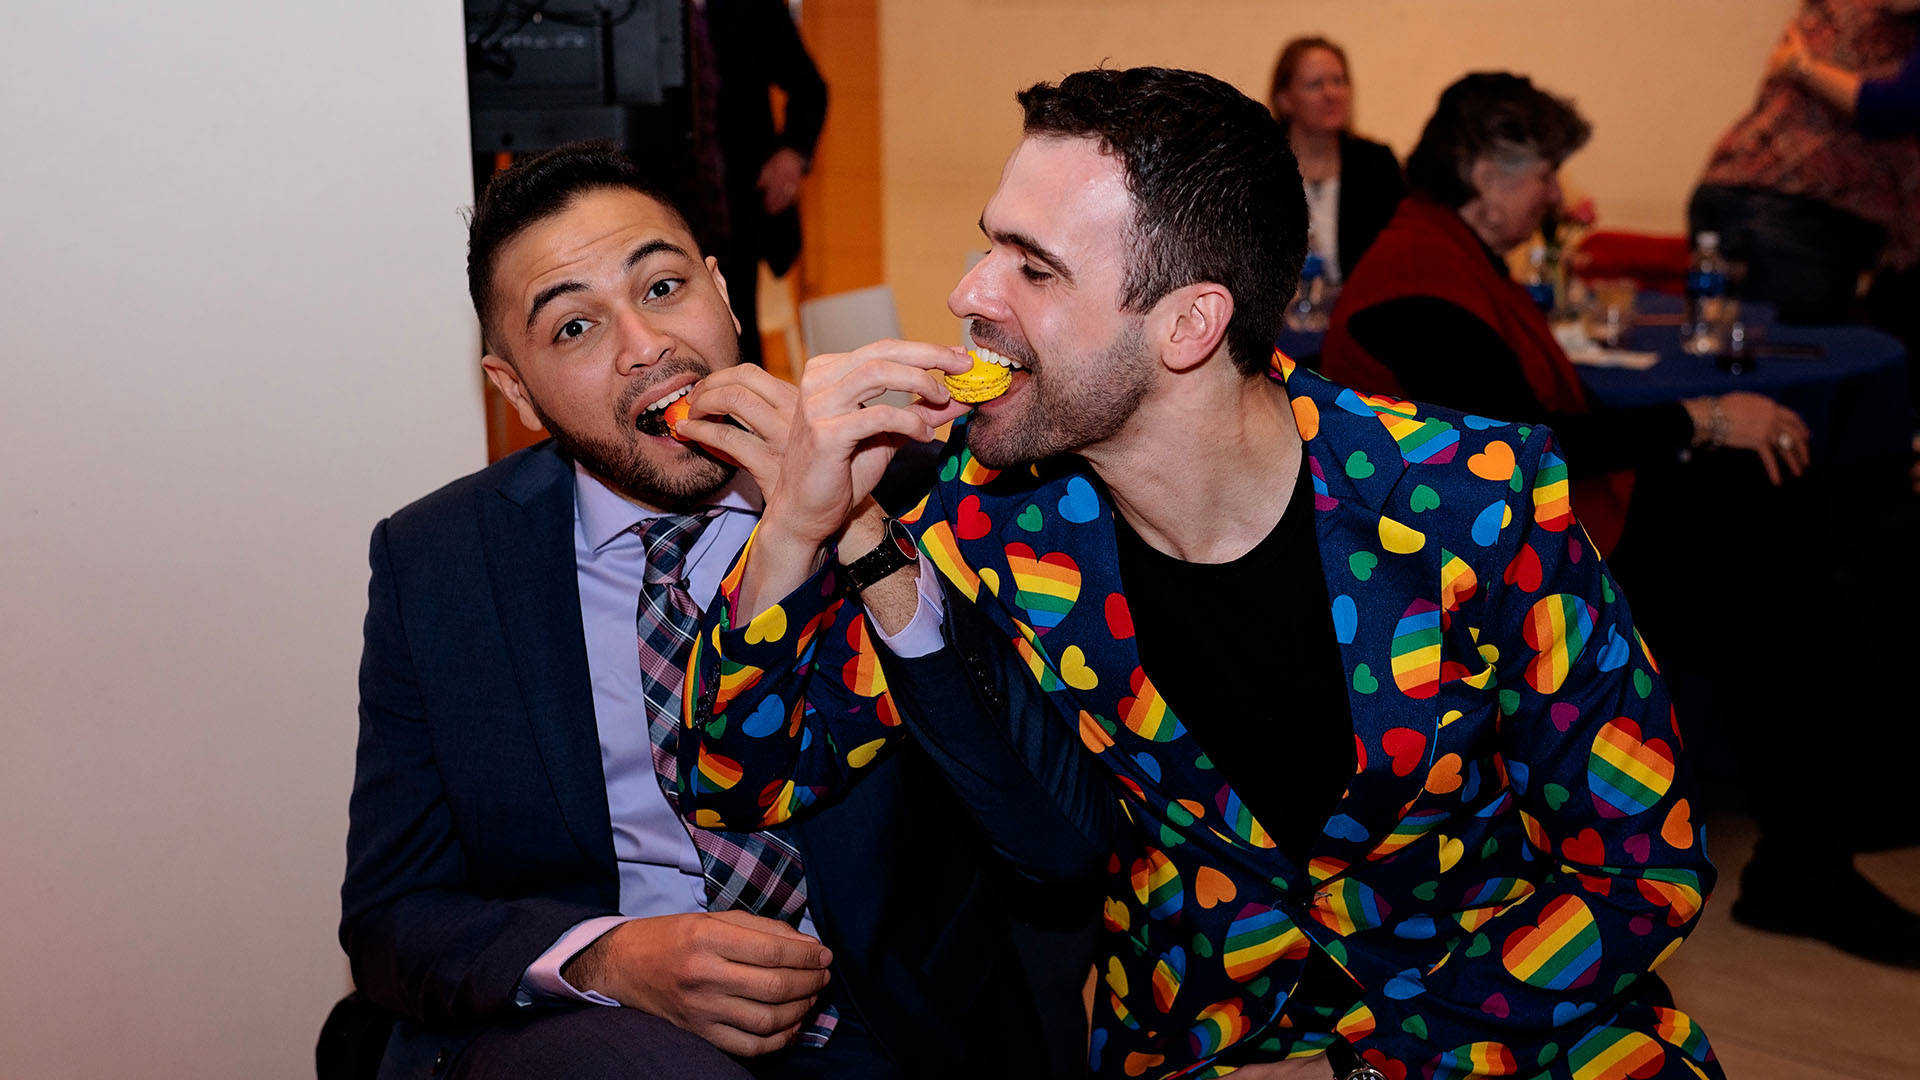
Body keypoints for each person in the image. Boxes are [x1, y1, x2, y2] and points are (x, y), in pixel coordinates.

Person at [674, 67, 1723, 1079]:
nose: (966, 291)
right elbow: (735, 778)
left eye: (1033, 268)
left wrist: (1361, 1068)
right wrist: (799, 522)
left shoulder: (1473, 505)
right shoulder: (992, 518)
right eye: (989, 244)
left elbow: (1643, 874)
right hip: (1204, 1044)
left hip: (1500, 1030)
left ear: (1189, 324)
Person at [339, 141, 1091, 1080]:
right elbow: (393, 918)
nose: (644, 346)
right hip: (600, 1037)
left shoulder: (918, 488)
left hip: (886, 1035)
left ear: (724, 293)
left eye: (662, 288)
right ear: (515, 390)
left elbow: (1052, 843)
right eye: (574, 328)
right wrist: (611, 958)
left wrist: (853, 526)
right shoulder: (440, 562)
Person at [1321, 72, 1811, 558]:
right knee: (1754, 498)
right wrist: (1708, 419)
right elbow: (1526, 449)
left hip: (1486, 520)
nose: (1557, 195)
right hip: (1461, 552)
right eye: (1545, 175)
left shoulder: (1445, 253)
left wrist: (1701, 423)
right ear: (1486, 179)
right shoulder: (1420, 281)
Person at [1690, 0, 1920, 325]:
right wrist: (1803, 66)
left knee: (1727, 342)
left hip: (1752, 190)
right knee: (1777, 350)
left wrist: (1800, 65)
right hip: (1796, 205)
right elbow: (1896, 109)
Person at [704, 0, 828, 367]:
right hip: (660, 201)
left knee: (737, 331)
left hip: (736, 208)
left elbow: (810, 88)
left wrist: (791, 154)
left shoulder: (750, 8)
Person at [1267, 36, 1404, 284]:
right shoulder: (1263, 169)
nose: (1331, 94)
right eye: (1315, 84)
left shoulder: (1376, 165)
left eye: (1339, 81)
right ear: (1284, 99)